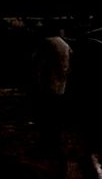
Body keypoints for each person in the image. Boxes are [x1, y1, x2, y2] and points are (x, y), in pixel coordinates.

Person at [31, 25, 73, 156]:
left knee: (46, 117)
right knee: (56, 116)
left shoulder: (46, 43)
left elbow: (38, 64)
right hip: (61, 85)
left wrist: (35, 82)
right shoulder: (65, 45)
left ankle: (47, 144)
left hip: (47, 85)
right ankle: (56, 143)